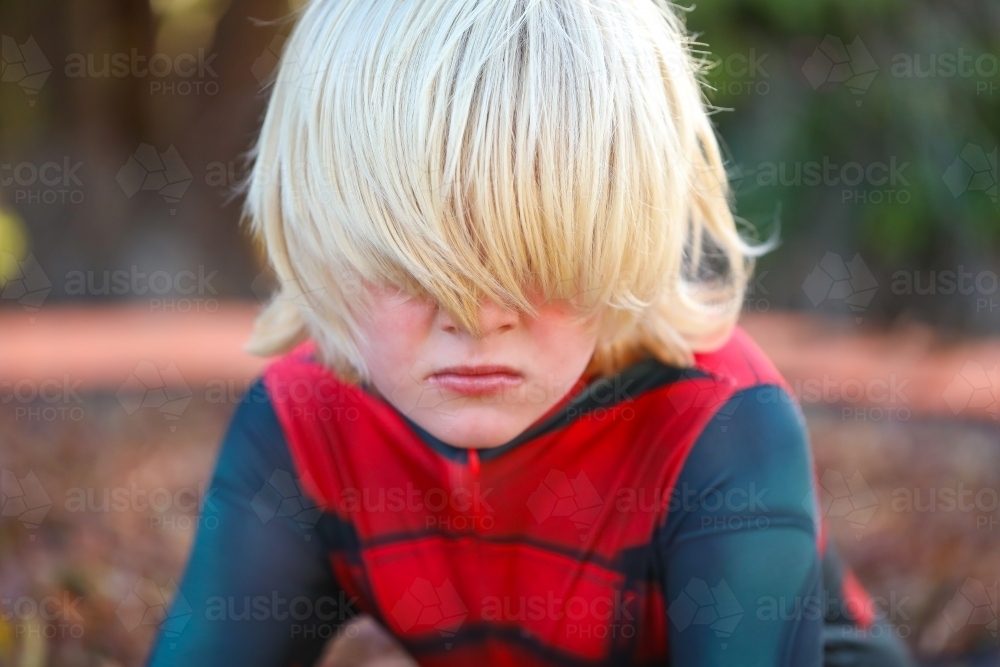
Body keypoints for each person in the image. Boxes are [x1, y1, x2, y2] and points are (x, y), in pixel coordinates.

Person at [147, 0, 913, 664]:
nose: (478, 315)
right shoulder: (302, 426)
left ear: (626, 233)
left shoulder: (717, 427)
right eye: (416, 262)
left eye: (532, 257)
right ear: (324, 236)